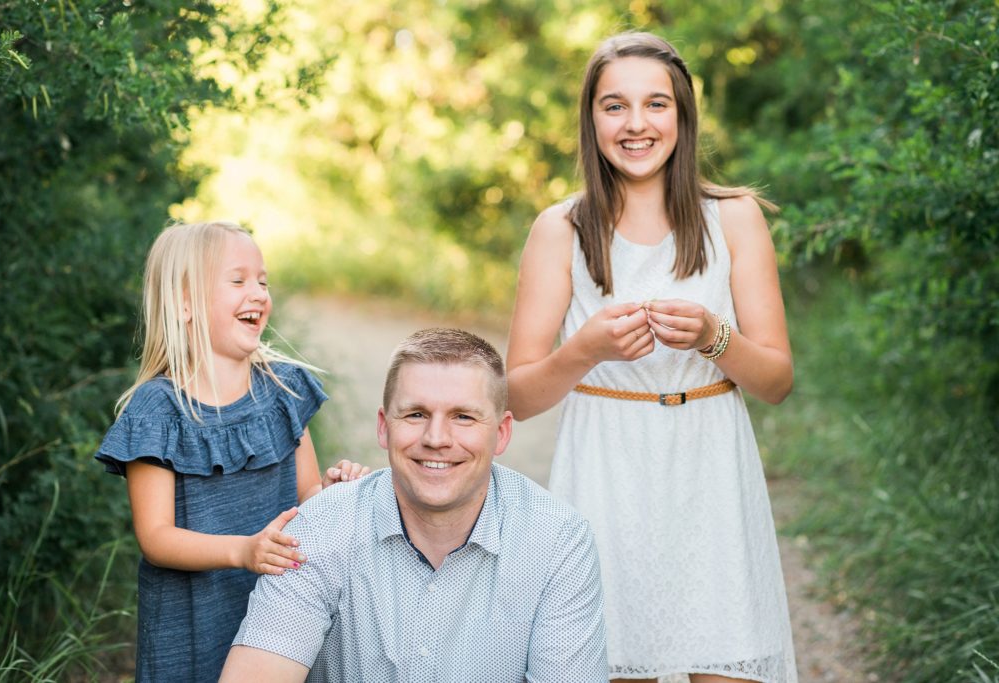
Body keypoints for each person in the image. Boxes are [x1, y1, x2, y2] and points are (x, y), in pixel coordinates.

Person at [506, 32, 798, 683]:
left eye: (655, 104)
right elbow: (518, 396)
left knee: (727, 662)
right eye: (615, 106)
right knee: (614, 663)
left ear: (683, 116)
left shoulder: (735, 218)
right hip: (606, 467)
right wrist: (585, 349)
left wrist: (713, 338)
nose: (636, 124)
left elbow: (777, 380)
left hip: (709, 466)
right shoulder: (561, 228)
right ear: (591, 119)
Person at [220, 328, 608, 683]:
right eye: (416, 414)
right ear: (384, 426)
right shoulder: (319, 527)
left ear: (501, 432)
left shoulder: (558, 542)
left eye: (463, 417)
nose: (436, 438)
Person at [94, 221, 368, 683]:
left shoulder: (283, 390)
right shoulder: (158, 410)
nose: (258, 293)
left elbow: (308, 498)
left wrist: (336, 492)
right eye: (238, 280)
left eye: (262, 280)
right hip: (193, 626)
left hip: (281, 617)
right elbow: (156, 537)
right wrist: (243, 551)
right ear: (184, 303)